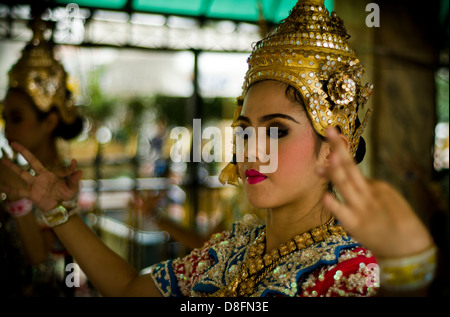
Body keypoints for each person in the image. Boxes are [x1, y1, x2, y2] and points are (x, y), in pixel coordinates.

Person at [0, 0, 437, 297]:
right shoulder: (234, 249)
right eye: (245, 129)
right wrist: (60, 212)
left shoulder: (349, 272)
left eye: (277, 130)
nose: (252, 150)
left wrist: (413, 271)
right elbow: (134, 289)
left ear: (333, 149)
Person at [0, 16, 84, 296]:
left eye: (16, 118)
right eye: (4, 118)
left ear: (48, 122)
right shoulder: (12, 169)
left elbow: (48, 273)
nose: (8, 129)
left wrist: (18, 202)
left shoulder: (63, 182)